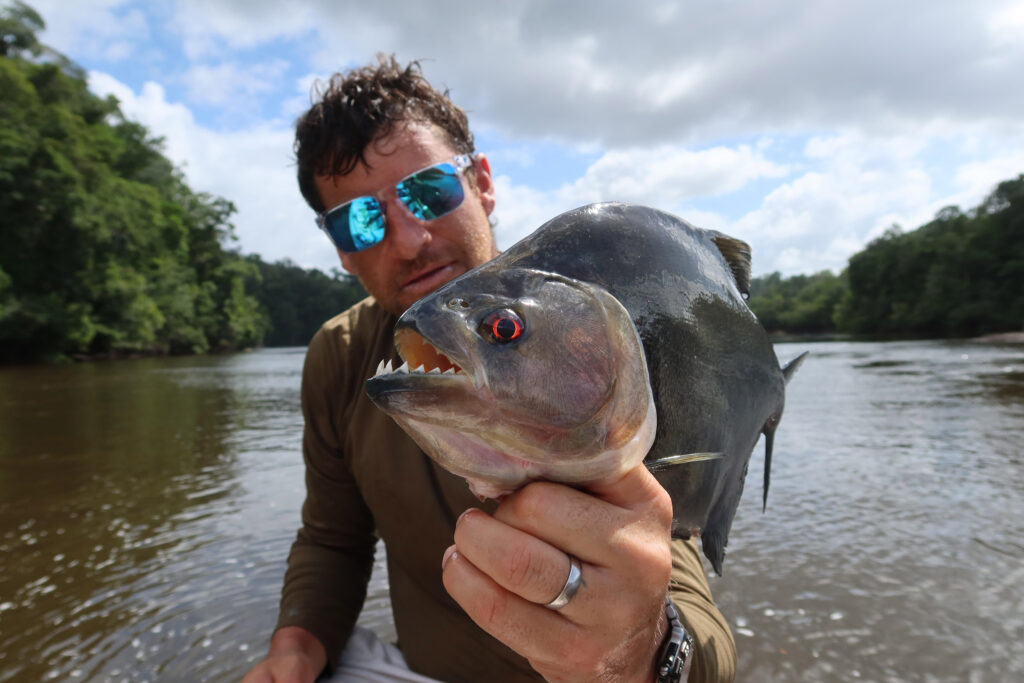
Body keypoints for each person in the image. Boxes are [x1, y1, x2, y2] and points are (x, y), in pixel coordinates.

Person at [242, 56, 736, 683]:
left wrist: (645, 650)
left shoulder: (591, 346)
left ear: (482, 183)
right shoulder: (339, 356)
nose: (409, 240)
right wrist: (295, 648)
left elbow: (685, 597)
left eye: (429, 191)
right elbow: (333, 538)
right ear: (341, 251)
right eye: (361, 221)